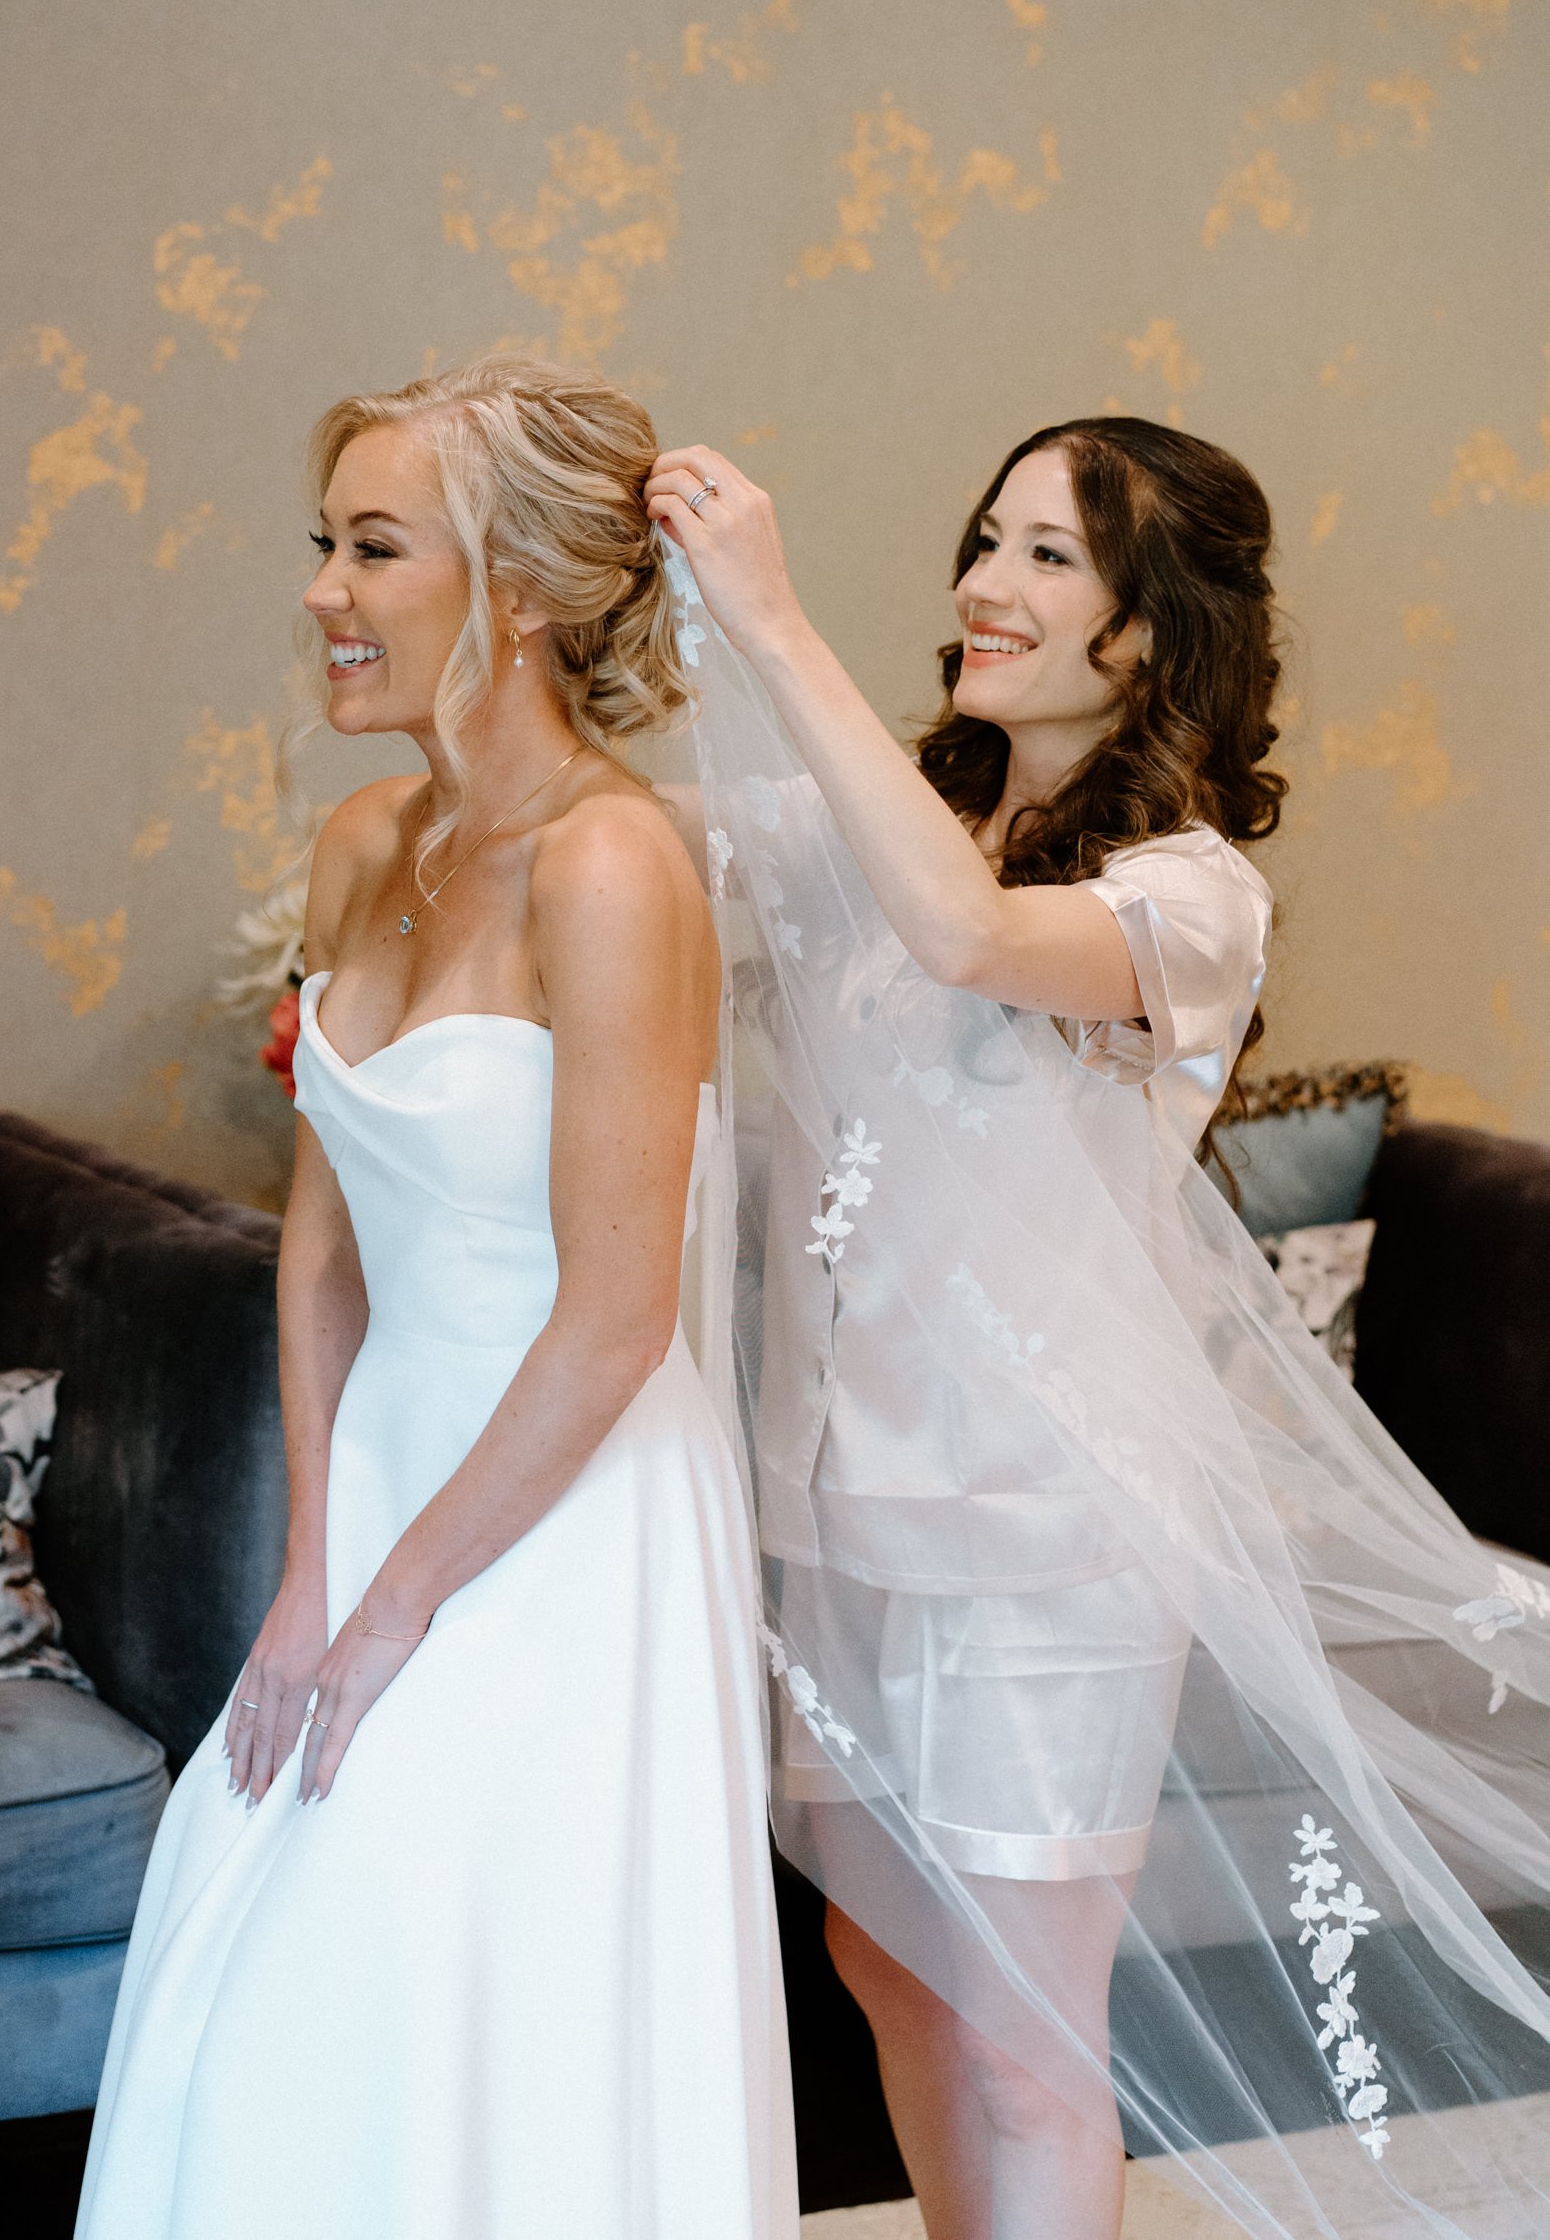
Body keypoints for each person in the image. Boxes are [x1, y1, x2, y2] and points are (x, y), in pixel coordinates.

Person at [646, 420, 1550, 2240]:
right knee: (885, 1963)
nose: (986, 584)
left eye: (1051, 556)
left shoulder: (1192, 900)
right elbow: (639, 860)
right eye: (987, 538)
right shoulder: (873, 821)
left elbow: (970, 937)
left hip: (1047, 1534)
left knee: (1025, 2037)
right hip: (832, 1509)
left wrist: (772, 621)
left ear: (1155, 628)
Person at [75, 357, 796, 2240]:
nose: (322, 590)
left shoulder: (618, 867)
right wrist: (315, 1558)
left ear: (528, 591)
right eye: (326, 542)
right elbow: (323, 1244)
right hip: (386, 1482)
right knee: (262, 2014)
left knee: (471, 2014)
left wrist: (398, 1608)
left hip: (568, 1515)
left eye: (374, 548)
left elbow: (617, 1321)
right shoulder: (364, 847)